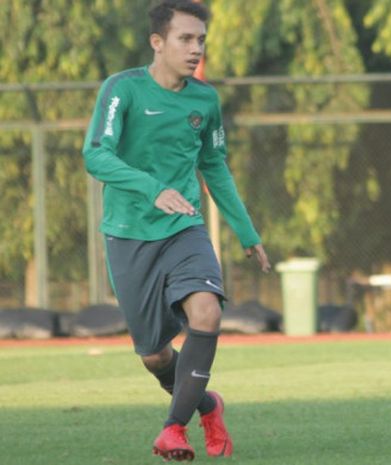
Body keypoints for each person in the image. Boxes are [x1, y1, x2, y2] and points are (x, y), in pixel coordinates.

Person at [82, 0, 271, 461]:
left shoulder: (205, 99)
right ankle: (208, 405)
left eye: (201, 40)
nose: (195, 49)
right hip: (128, 233)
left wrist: (247, 233)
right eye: (186, 39)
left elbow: (214, 167)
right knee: (154, 356)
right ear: (158, 42)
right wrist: (152, 189)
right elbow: (95, 155)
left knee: (207, 312)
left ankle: (172, 430)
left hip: (184, 229)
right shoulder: (121, 90)